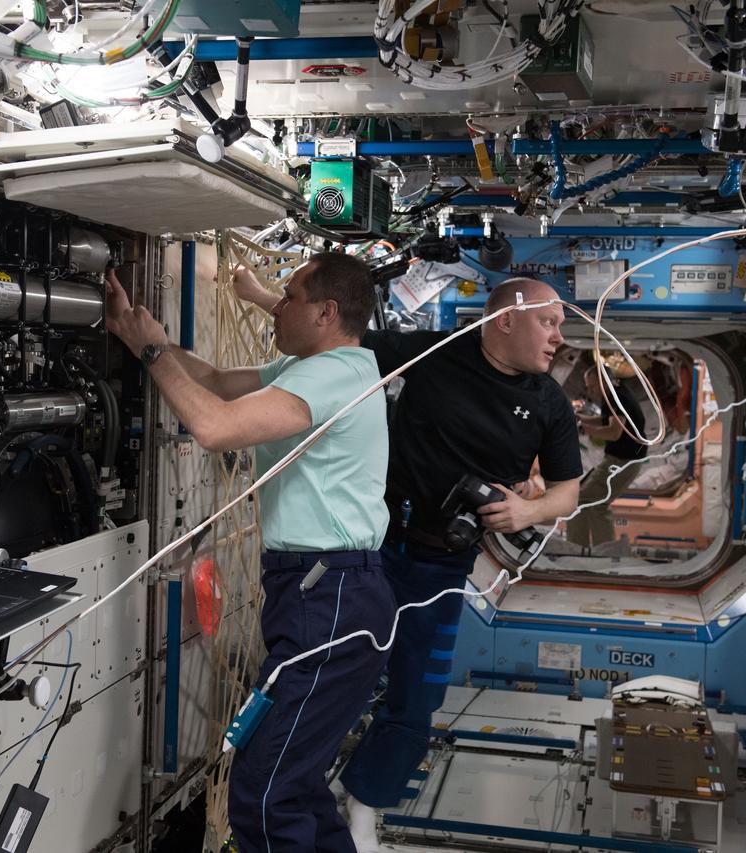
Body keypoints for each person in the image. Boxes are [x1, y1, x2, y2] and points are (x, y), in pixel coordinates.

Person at [232, 272, 582, 852]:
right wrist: (260, 297)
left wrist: (526, 510)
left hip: (443, 569)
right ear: (504, 320)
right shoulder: (439, 351)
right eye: (548, 322)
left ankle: (365, 806)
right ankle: (301, 778)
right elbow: (339, 329)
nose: (557, 337)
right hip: (370, 555)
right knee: (332, 680)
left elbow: (567, 491)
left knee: (416, 701)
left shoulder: (548, 404)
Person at [105, 253, 395, 853]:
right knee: (294, 783)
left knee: (264, 792)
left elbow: (213, 426)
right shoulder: (318, 366)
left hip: (330, 599)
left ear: (326, 312)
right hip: (322, 593)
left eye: (288, 297)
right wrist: (141, 339)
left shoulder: (330, 375)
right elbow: (210, 381)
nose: (276, 306)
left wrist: (156, 353)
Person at [567, 362, 648, 549]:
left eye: (592, 385)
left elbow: (614, 432)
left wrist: (586, 430)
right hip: (625, 461)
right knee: (591, 501)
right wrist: (580, 419)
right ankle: (597, 552)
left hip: (622, 462)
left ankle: (579, 550)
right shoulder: (618, 392)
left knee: (584, 501)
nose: (590, 391)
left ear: (603, 380)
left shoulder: (616, 397)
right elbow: (607, 420)